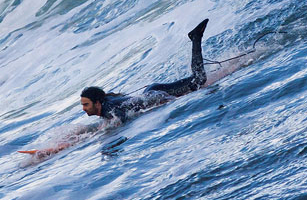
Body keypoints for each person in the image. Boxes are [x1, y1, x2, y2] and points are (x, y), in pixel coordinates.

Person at [80, 18, 210, 123]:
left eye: (86, 104)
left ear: (97, 103)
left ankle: (195, 37)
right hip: (152, 91)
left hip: (157, 94)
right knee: (196, 80)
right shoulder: (106, 107)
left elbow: (123, 120)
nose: (83, 108)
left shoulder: (109, 108)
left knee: (199, 80)